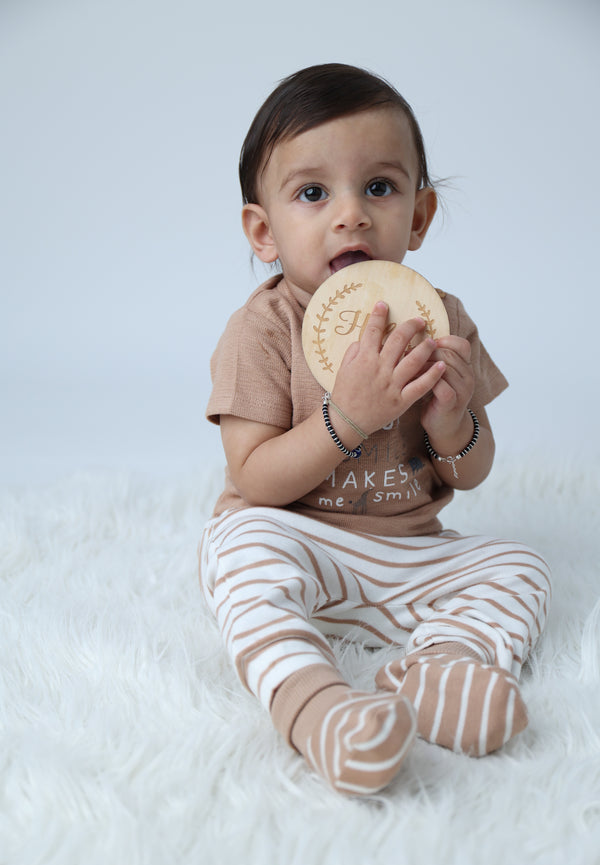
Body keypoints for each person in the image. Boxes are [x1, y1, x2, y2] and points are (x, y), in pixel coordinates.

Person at [199, 63, 551, 796]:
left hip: (410, 553)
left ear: (418, 218)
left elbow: (474, 471)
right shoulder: (263, 329)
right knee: (236, 547)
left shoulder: (440, 319)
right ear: (264, 231)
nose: (351, 214)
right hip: (301, 540)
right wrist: (348, 418)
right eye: (313, 193)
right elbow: (254, 477)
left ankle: (437, 672)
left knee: (521, 565)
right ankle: (318, 708)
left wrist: (455, 422)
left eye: (380, 188)